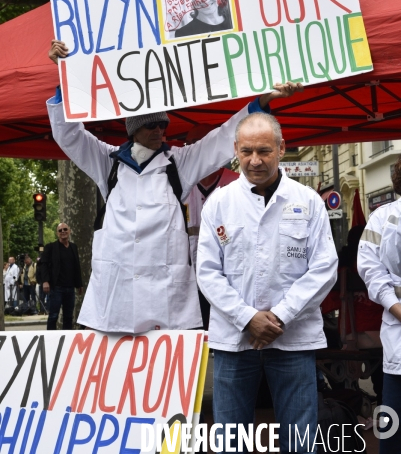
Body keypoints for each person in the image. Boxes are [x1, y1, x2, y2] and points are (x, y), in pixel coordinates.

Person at [47, 39, 302, 334]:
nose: (159, 131)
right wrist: (65, 75)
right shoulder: (108, 163)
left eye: (162, 125)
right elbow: (69, 135)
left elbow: (220, 139)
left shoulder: (178, 164)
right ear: (134, 130)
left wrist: (263, 102)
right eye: (151, 126)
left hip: (165, 300)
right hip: (116, 298)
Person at [196, 112, 338, 453]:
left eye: (263, 151)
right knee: (231, 441)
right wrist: (247, 317)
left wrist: (281, 316)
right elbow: (207, 272)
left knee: (301, 441)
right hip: (234, 340)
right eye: (246, 152)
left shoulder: (308, 202)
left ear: (281, 148)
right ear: (235, 150)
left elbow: (324, 267)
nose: (254, 160)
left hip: (293, 338)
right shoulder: (219, 202)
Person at [358, 155, 401, 453]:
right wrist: (395, 306)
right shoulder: (382, 217)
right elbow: (369, 268)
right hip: (398, 332)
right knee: (393, 425)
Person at [185, 124, 239, 329]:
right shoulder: (178, 184)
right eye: (191, 145)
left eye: (202, 144)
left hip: (229, 279)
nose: (197, 150)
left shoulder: (237, 183)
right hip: (187, 280)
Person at [41, 223, 83, 330]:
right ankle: (50, 339)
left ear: (69, 231)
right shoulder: (50, 247)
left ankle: (67, 341)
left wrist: (79, 284)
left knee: (68, 316)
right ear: (57, 233)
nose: (63, 231)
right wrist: (45, 281)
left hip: (70, 287)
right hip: (56, 288)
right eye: (60, 230)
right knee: (53, 315)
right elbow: (43, 265)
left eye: (65, 229)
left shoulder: (74, 247)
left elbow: (76, 266)